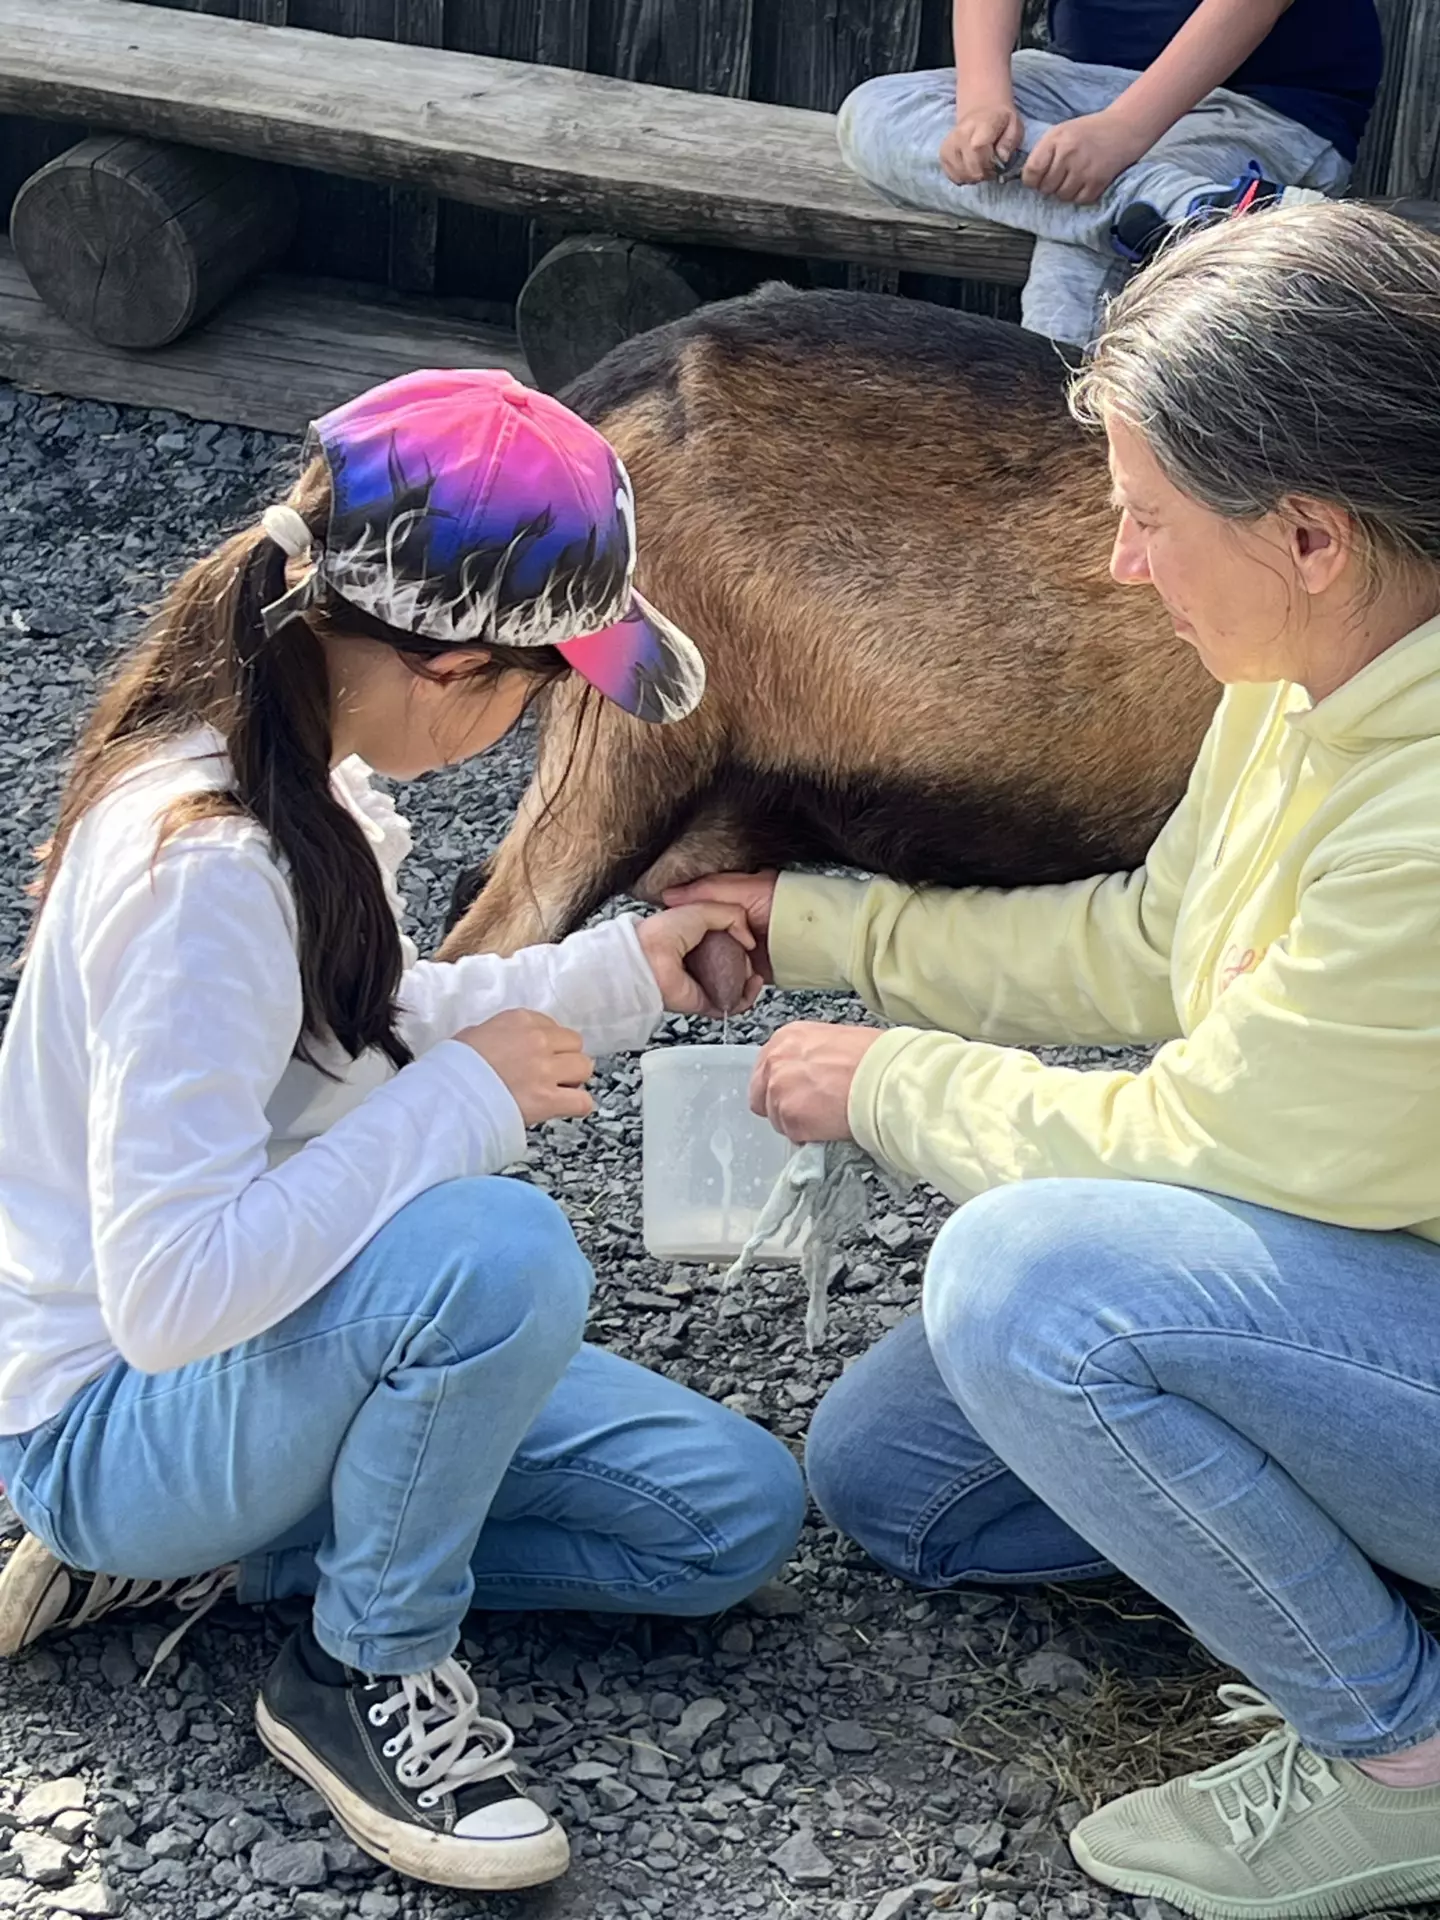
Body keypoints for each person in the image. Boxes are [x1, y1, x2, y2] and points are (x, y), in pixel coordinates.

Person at [667, 202, 1440, 1920]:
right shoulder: (1317, 665)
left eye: (1151, 521)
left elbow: (1201, 1147)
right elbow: (1151, 943)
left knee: (1040, 1289)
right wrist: (823, 926)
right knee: (898, 1481)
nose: (1120, 564)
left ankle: (1402, 1760)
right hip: (1393, 1278)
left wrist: (875, 1082)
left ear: (1311, 531)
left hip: (1377, 1271)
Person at [0, 369, 804, 1895]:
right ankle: (362, 1670)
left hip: (264, 1366)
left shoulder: (308, 772)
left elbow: (360, 1023)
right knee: (491, 1250)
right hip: (116, 1420)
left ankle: (267, 1552)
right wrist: (463, 1104)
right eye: (545, 685)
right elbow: (169, 1301)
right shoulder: (208, 870)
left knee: (724, 1518)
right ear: (448, 666)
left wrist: (619, 974)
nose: (534, 722)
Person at [835, 0, 1381, 346]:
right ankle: (1189, 209)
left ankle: (1066, 476)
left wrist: (1124, 132)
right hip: (1077, 82)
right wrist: (982, 102)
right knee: (874, 113)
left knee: (1082, 263)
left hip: (1259, 107)